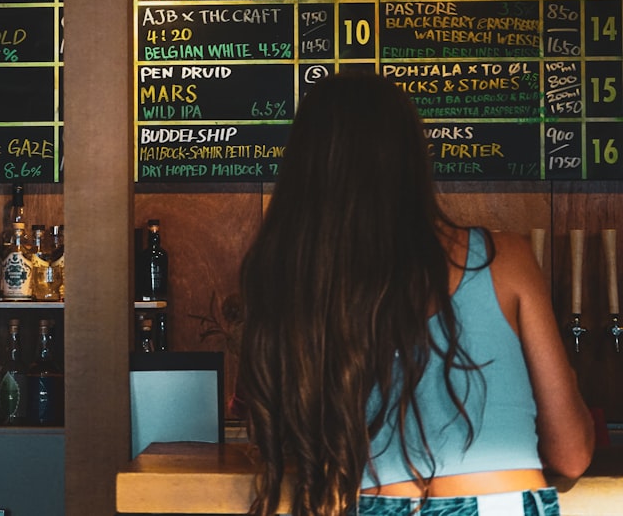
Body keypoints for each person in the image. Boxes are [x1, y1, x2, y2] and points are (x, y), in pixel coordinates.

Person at [237, 72, 593, 516]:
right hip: (499, 503)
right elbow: (572, 453)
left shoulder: (294, 283)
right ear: (411, 160)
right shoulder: (506, 259)